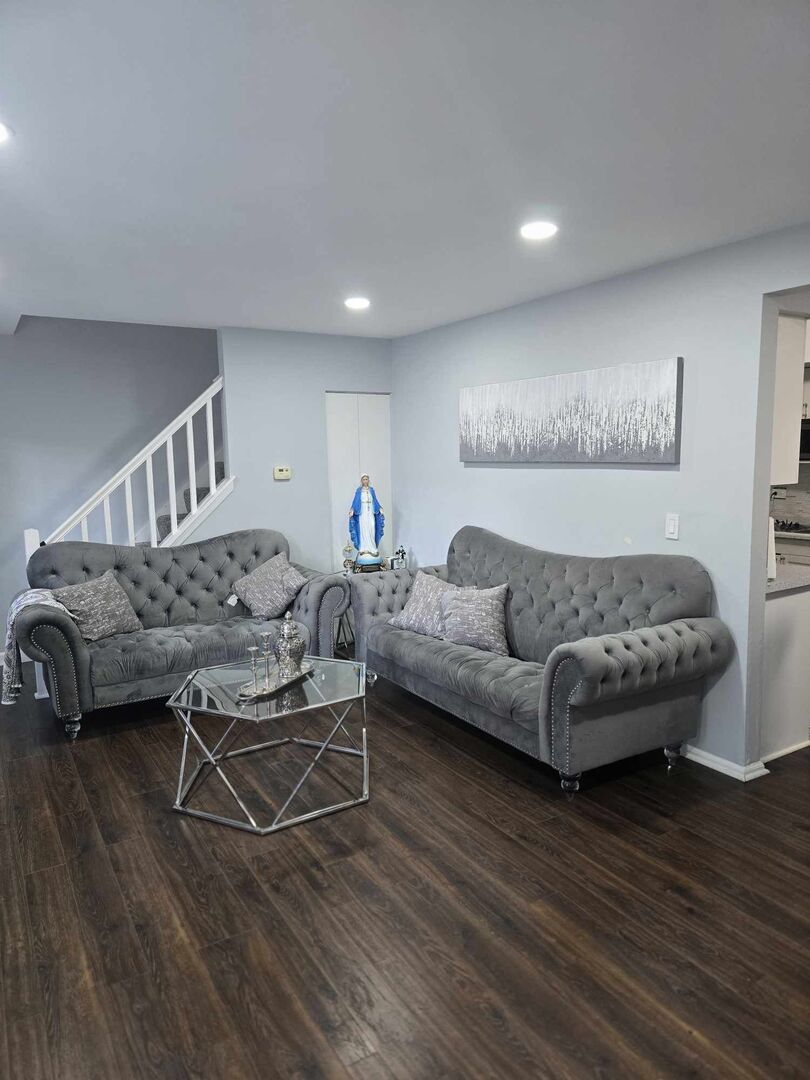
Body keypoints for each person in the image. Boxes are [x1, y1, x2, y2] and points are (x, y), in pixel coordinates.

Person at [349, 474, 384, 556]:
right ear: (361, 481)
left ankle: (372, 547)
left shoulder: (371, 490)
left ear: (369, 480)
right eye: (364, 479)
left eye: (367, 479)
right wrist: (352, 509)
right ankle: (363, 548)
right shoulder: (359, 491)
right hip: (362, 512)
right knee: (363, 528)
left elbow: (375, 500)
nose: (365, 481)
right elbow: (355, 501)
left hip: (370, 511)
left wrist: (380, 508)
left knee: (371, 527)